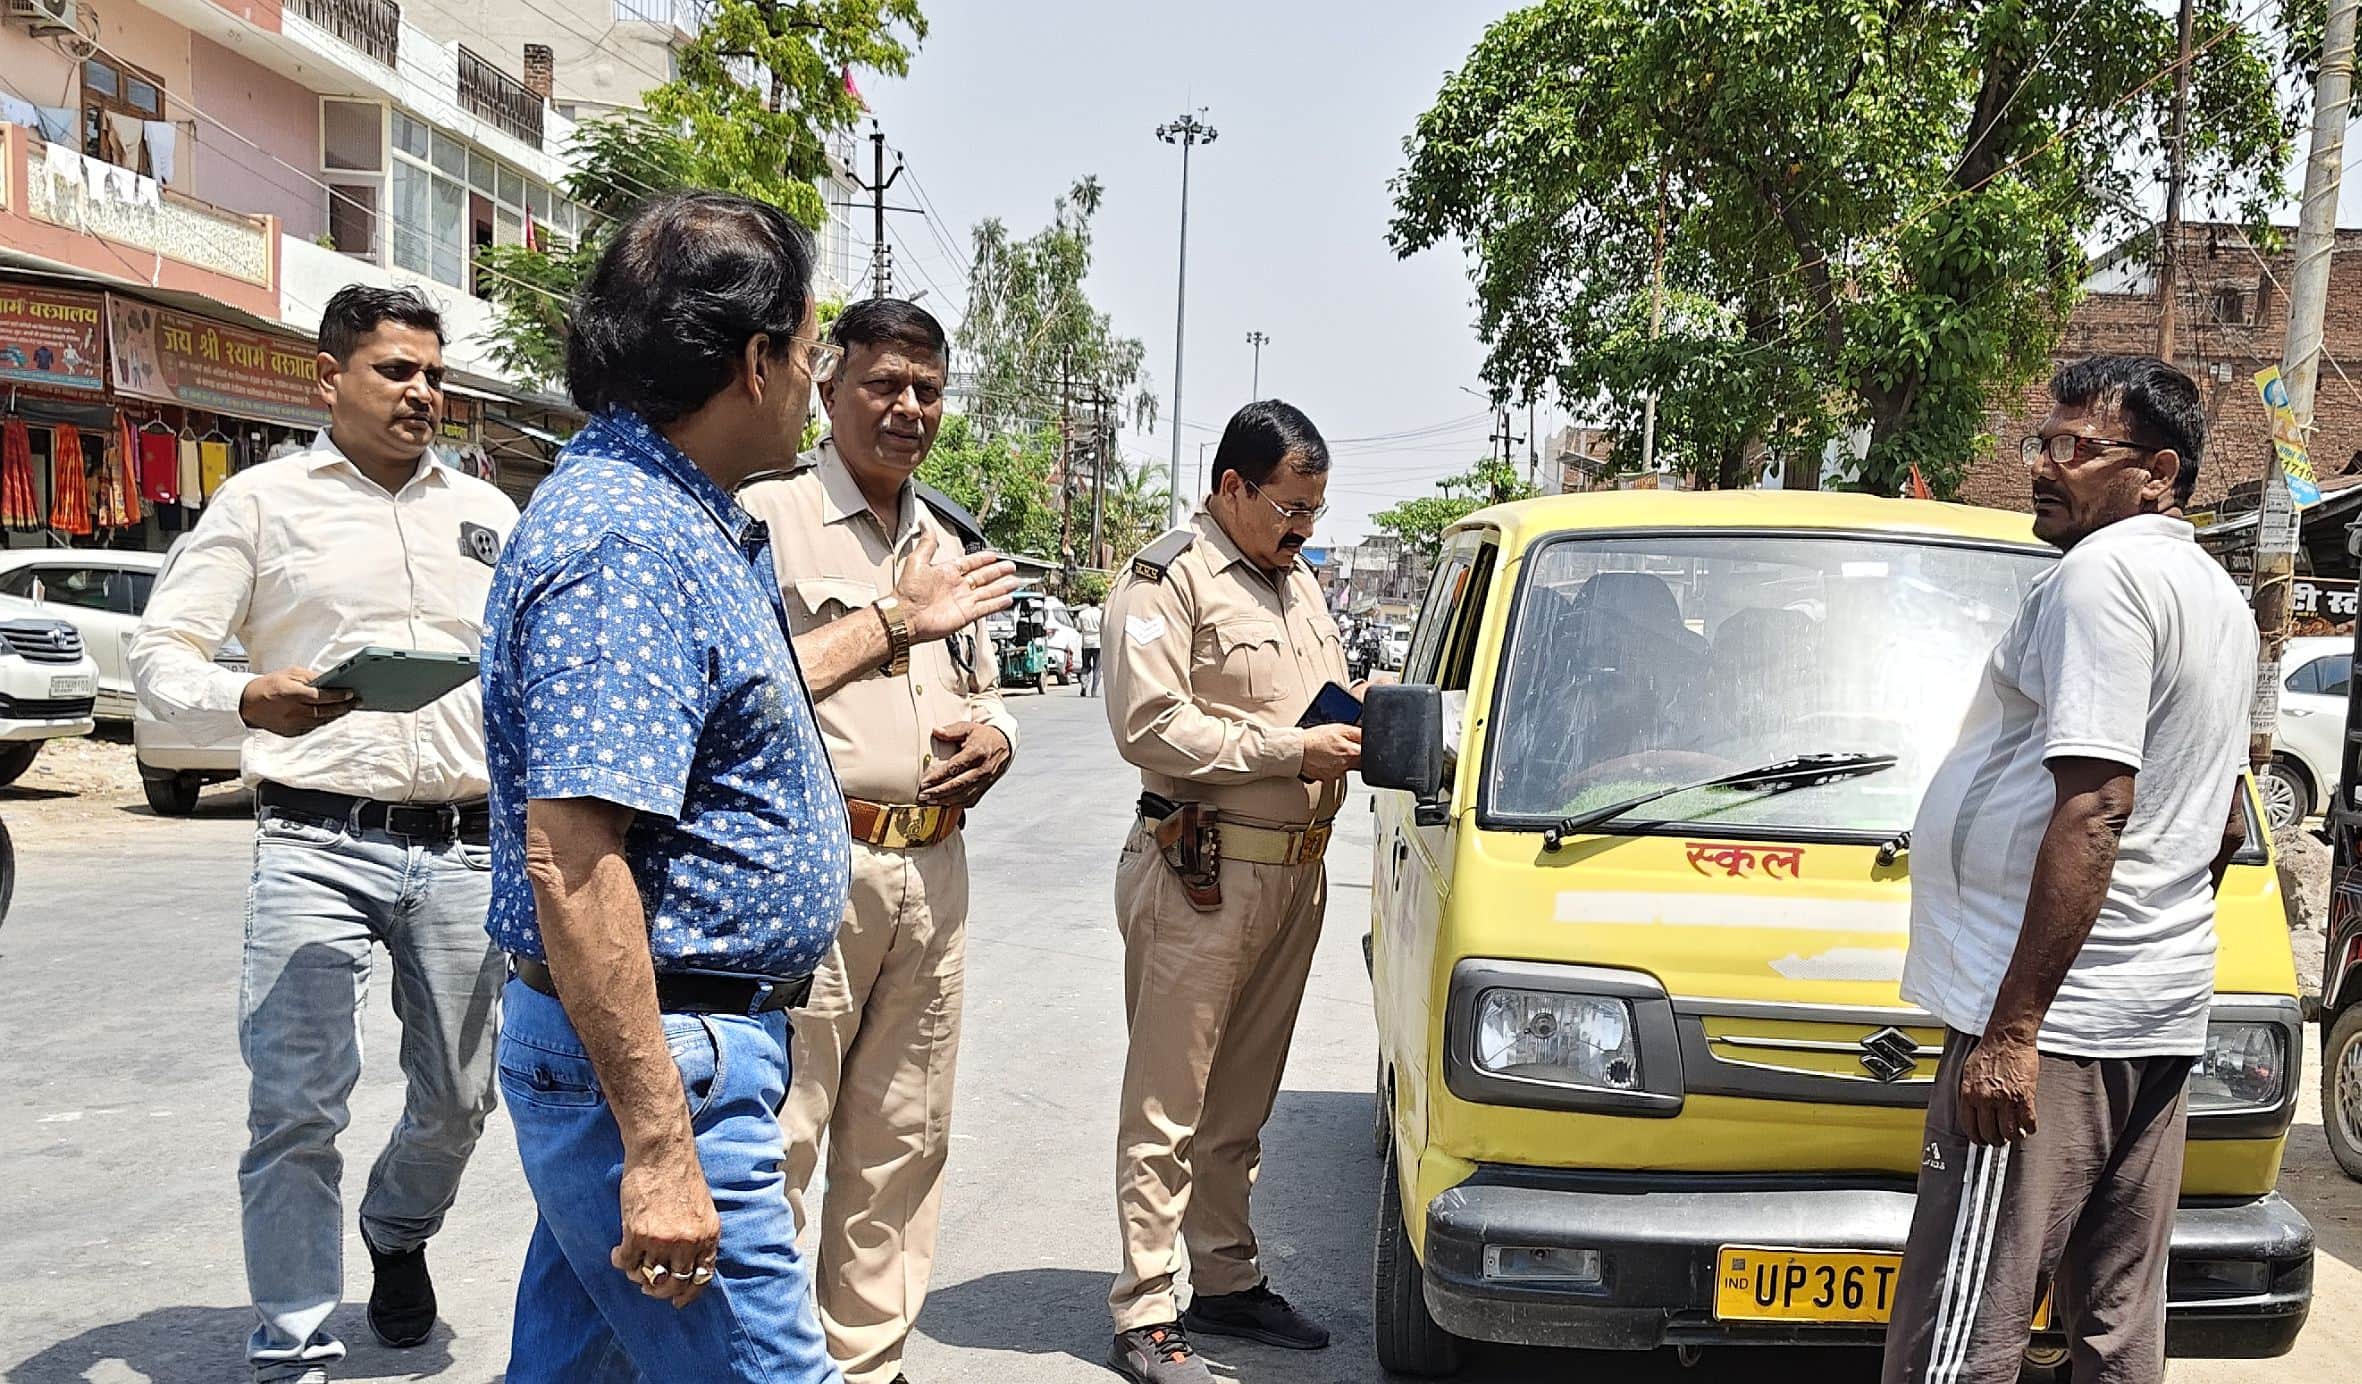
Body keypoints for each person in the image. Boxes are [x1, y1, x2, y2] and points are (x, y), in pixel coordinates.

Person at [478, 193, 1016, 1383]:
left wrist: (894, 622)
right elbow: (571, 852)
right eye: (812, 352)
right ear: (754, 360)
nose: (816, 380)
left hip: (683, 1033)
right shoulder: (627, 540)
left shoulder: (675, 517)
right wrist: (661, 1145)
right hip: (669, 1054)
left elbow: (725, 704)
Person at [130, 285, 517, 1384]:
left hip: (464, 842)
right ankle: (293, 1331)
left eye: (433, 374)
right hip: (312, 839)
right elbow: (161, 656)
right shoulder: (260, 504)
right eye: (397, 370)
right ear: (329, 379)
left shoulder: (486, 513)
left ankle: (396, 1230)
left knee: (458, 1096)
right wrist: (250, 697)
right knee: (295, 1100)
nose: (422, 392)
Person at [1882, 356, 2255, 1384]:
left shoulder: (2102, 576)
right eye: (2039, 443)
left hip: (2057, 1031)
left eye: (2073, 449)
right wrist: (2147, 942)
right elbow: (2221, 819)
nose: (2043, 467)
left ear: (2156, 472)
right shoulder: (2214, 594)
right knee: (2113, 1322)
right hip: (2150, 1009)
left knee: (1959, 1333)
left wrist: (2013, 1029)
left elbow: (2094, 807)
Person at [738, 297, 1022, 1384]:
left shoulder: (947, 538)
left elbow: (989, 692)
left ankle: (868, 1365)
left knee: (903, 1139)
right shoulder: (763, 515)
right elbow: (742, 688)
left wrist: (993, 740)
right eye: (883, 384)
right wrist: (891, 620)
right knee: (782, 1138)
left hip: (932, 871)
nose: (908, 408)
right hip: (812, 864)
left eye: (928, 390)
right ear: (828, 386)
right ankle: (763, 1364)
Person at [1100, 400, 1361, 1383]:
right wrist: (1292, 747)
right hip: (1198, 868)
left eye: (1314, 510)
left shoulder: (1298, 587)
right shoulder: (1168, 578)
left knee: (1242, 1099)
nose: (1303, 527)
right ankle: (1141, 1307)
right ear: (1232, 489)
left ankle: (1223, 1276)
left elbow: (1296, 699)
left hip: (1294, 874)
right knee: (1170, 1099)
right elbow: (1150, 725)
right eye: (1291, 506)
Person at [1078, 598, 1104, 696]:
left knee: (1085, 666)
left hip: (1086, 643)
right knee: (1097, 668)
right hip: (1098, 643)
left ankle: (1084, 685)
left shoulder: (1082, 614)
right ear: (1097, 603)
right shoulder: (1101, 614)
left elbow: (1079, 627)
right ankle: (1094, 691)